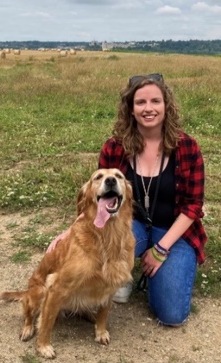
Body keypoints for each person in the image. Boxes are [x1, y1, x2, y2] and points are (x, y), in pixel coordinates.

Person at [49, 73, 207, 326]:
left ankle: (146, 268)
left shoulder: (187, 147)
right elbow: (97, 197)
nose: (148, 109)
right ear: (130, 109)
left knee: (172, 315)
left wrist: (161, 250)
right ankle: (122, 273)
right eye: (140, 102)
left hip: (173, 230)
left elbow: (193, 206)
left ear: (166, 105)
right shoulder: (115, 147)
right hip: (127, 224)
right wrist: (70, 232)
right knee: (100, 255)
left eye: (155, 101)